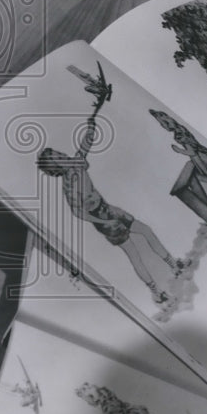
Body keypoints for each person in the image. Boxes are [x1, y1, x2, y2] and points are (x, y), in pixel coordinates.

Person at [37, 109, 189, 305]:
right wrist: (103, 220)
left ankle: (174, 267)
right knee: (134, 253)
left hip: (109, 209)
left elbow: (85, 145)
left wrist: (91, 126)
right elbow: (77, 211)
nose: (62, 155)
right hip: (103, 220)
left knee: (146, 230)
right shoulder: (68, 184)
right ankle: (155, 292)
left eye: (59, 153)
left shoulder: (76, 164)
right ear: (55, 168)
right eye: (57, 157)